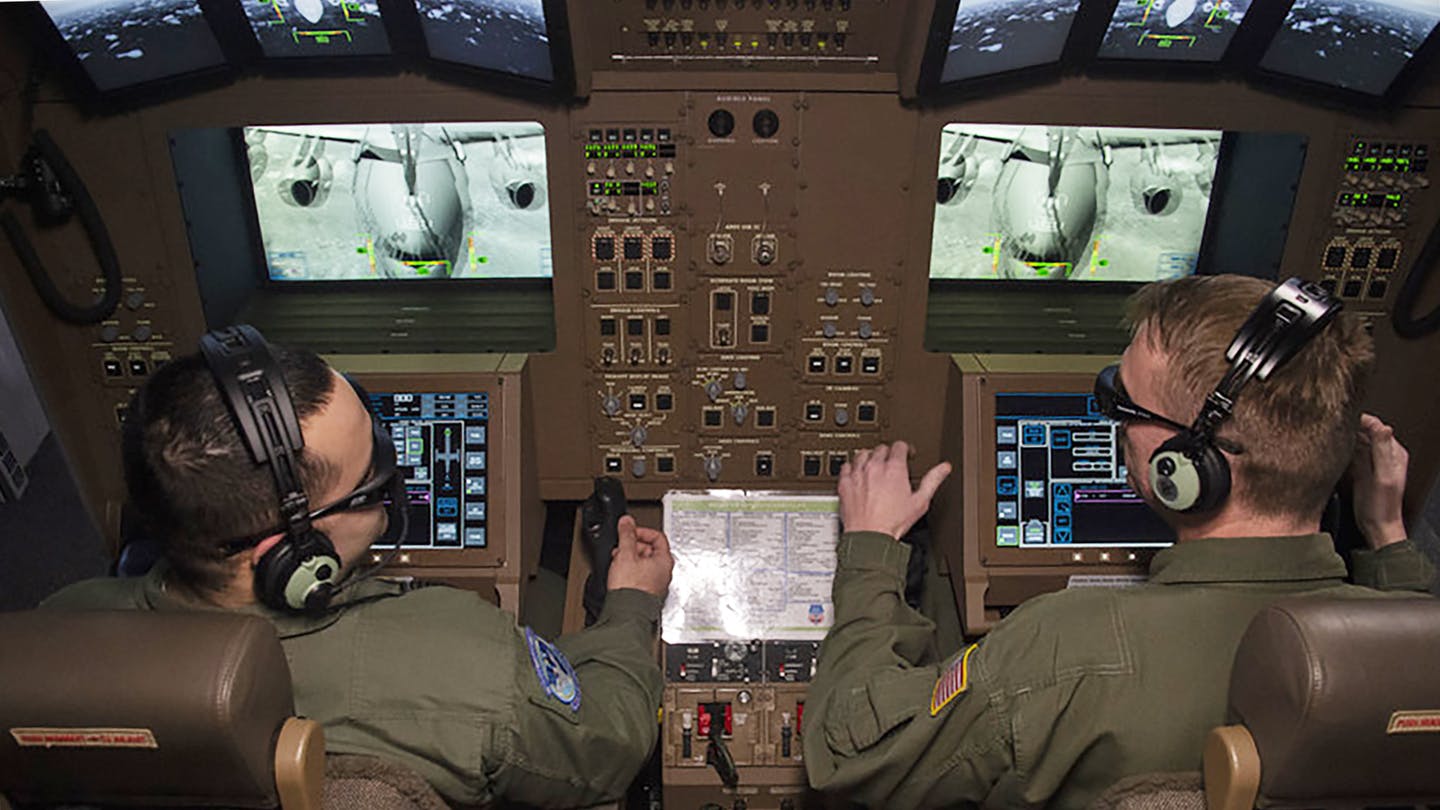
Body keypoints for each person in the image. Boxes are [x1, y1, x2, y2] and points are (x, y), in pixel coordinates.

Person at [804, 275, 1436, 810]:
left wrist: (871, 548)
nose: (1113, 424)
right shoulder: (1410, 657)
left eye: (1121, 405)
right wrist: (1387, 538)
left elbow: (852, 755)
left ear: (1187, 464)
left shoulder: (1064, 650)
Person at [42, 333, 674, 808]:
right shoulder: (465, 670)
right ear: (292, 555)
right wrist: (628, 607)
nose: (387, 488)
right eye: (371, 483)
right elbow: (606, 747)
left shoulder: (58, 629)